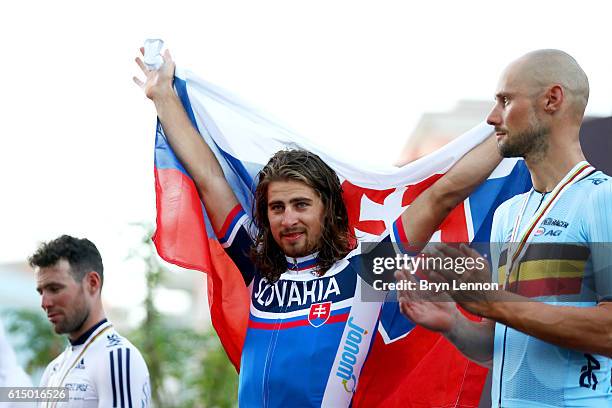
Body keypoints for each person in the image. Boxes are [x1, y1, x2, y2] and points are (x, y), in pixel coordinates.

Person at [134, 48, 502, 407]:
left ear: (328, 211)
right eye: (276, 208)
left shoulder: (365, 271)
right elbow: (209, 177)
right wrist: (163, 96)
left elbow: (442, 195)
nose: (288, 219)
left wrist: (507, 135)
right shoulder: (258, 266)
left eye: (301, 205)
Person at [397, 49, 612, 407]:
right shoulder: (508, 214)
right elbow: (504, 345)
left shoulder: (602, 198)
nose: (492, 117)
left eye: (506, 100)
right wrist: (453, 322)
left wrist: (493, 301)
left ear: (551, 99)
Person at [31, 235, 151, 408]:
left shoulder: (116, 357)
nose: (45, 303)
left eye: (54, 289)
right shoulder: (53, 368)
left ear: (92, 283)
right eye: (41, 292)